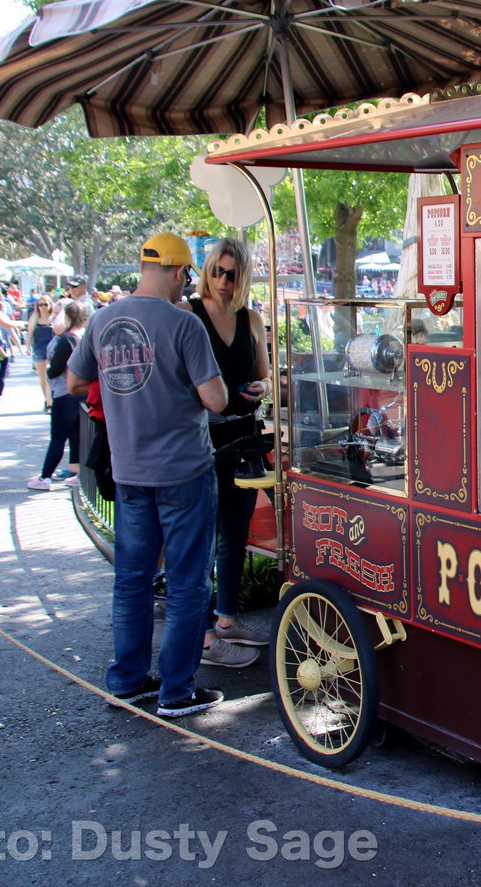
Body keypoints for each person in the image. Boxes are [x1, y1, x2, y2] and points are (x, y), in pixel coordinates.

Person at [67, 232, 232, 718]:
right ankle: (176, 692)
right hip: (183, 470)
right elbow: (216, 399)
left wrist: (127, 402)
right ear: (181, 272)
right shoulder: (183, 325)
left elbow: (76, 382)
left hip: (130, 470)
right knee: (186, 584)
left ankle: (128, 679)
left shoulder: (101, 320)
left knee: (132, 580)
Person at [185, 238, 271, 663]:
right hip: (200, 438)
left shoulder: (251, 317)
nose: (222, 280)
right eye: (216, 271)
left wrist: (263, 388)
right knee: (200, 536)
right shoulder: (189, 313)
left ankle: (227, 617)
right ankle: (202, 637)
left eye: (231, 273)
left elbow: (265, 376)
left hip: (243, 434)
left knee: (235, 533)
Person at [27, 301, 87, 491]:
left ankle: (45, 477)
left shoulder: (67, 339)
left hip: (65, 393)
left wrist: (50, 371)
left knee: (58, 437)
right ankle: (78, 473)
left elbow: (55, 370)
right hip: (80, 393)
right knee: (76, 436)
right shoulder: (83, 337)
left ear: (68, 318)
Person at [26, 295, 56, 412]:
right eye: (40, 304)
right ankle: (47, 400)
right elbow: (30, 333)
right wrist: (27, 347)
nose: (43, 307)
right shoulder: (34, 317)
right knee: (42, 377)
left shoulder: (54, 318)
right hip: (38, 348)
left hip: (52, 349)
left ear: (50, 305)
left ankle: (50, 403)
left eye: (45, 304)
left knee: (49, 376)